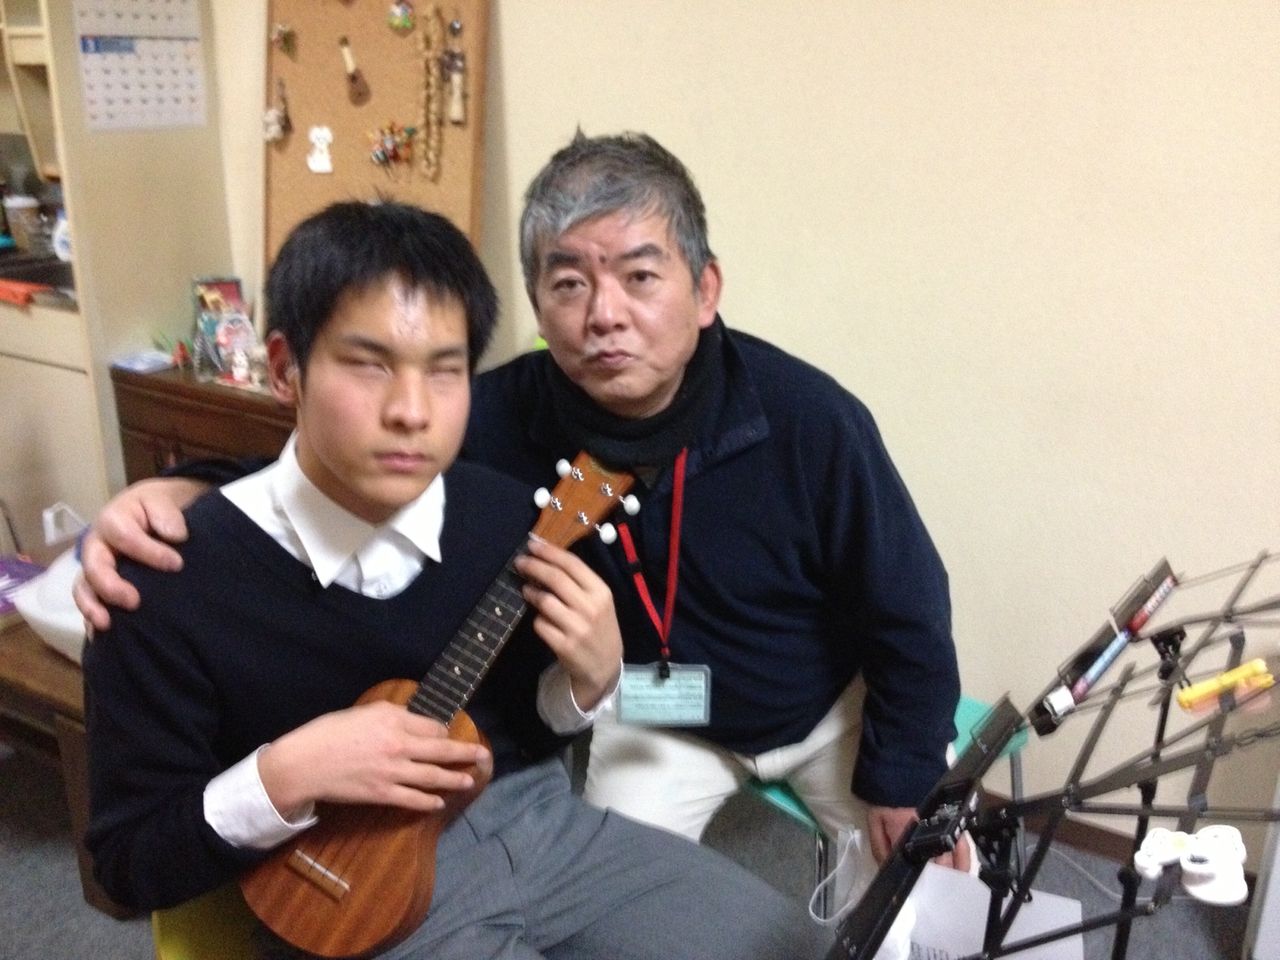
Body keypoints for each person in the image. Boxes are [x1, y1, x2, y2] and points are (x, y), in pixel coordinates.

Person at [78, 132, 966, 880]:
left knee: (919, 888)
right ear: (538, 302)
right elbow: (354, 457)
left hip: (821, 705)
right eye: (568, 283)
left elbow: (911, 607)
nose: (603, 314)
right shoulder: (491, 413)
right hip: (656, 712)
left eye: (640, 277)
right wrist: (187, 486)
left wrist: (903, 773)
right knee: (617, 894)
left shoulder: (810, 418)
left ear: (705, 291)